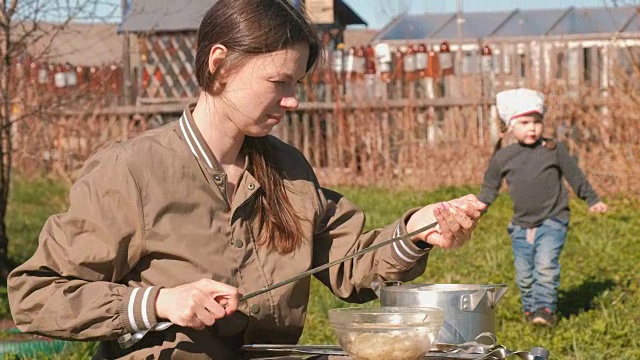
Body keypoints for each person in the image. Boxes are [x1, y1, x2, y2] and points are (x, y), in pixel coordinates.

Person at [8, 1, 486, 358]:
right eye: (279, 82)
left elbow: (350, 263)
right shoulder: (130, 171)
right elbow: (35, 295)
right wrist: (159, 302)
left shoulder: (288, 170)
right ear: (219, 64)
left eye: (297, 84)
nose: (293, 100)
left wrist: (419, 230)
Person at [478, 88, 608, 327]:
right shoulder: (503, 157)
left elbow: (575, 176)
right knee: (524, 275)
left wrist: (592, 199)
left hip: (553, 219)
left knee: (545, 266)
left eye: (536, 122)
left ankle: (545, 310)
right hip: (520, 226)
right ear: (509, 126)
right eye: (525, 122)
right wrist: (478, 208)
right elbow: (489, 188)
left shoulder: (553, 149)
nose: (532, 128)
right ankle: (531, 310)